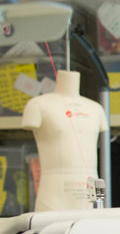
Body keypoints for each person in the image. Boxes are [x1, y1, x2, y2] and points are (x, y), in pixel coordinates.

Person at [21, 70, 105, 211]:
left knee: (94, 224)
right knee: (51, 225)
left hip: (91, 190)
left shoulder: (96, 108)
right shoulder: (37, 105)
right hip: (54, 193)